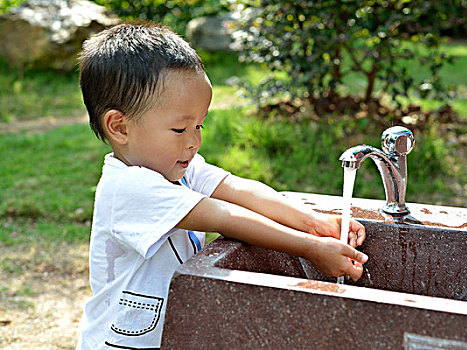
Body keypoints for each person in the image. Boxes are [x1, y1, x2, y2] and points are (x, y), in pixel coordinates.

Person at [76, 21, 367, 349]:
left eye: (199, 125)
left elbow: (237, 188)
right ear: (120, 127)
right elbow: (224, 216)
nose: (194, 141)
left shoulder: (178, 167)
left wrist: (311, 221)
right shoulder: (129, 188)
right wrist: (309, 247)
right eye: (179, 129)